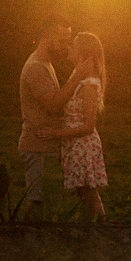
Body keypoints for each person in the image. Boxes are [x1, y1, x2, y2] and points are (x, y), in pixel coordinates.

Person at [18, 15, 94, 220]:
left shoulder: (46, 64)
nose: (65, 46)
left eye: (67, 41)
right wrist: (78, 75)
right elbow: (53, 104)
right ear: (46, 37)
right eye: (61, 40)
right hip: (38, 146)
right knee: (37, 204)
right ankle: (18, 241)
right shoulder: (36, 68)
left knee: (46, 204)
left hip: (47, 145)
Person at [37, 32, 107, 219]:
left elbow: (89, 126)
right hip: (75, 146)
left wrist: (55, 133)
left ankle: (99, 230)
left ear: (84, 53)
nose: (69, 48)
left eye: (74, 46)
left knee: (88, 194)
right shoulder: (79, 79)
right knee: (84, 193)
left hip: (83, 147)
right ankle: (96, 228)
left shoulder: (89, 86)